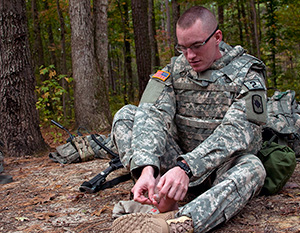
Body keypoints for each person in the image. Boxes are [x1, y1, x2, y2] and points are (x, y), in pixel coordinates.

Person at [110, 6, 267, 233]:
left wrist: (186, 167)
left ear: (217, 37)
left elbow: (237, 131)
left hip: (219, 169)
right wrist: (146, 168)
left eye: (196, 46)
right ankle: (157, 194)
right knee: (126, 115)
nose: (190, 56)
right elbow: (151, 114)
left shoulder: (248, 73)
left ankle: (178, 222)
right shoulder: (175, 69)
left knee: (253, 168)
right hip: (177, 166)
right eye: (182, 48)